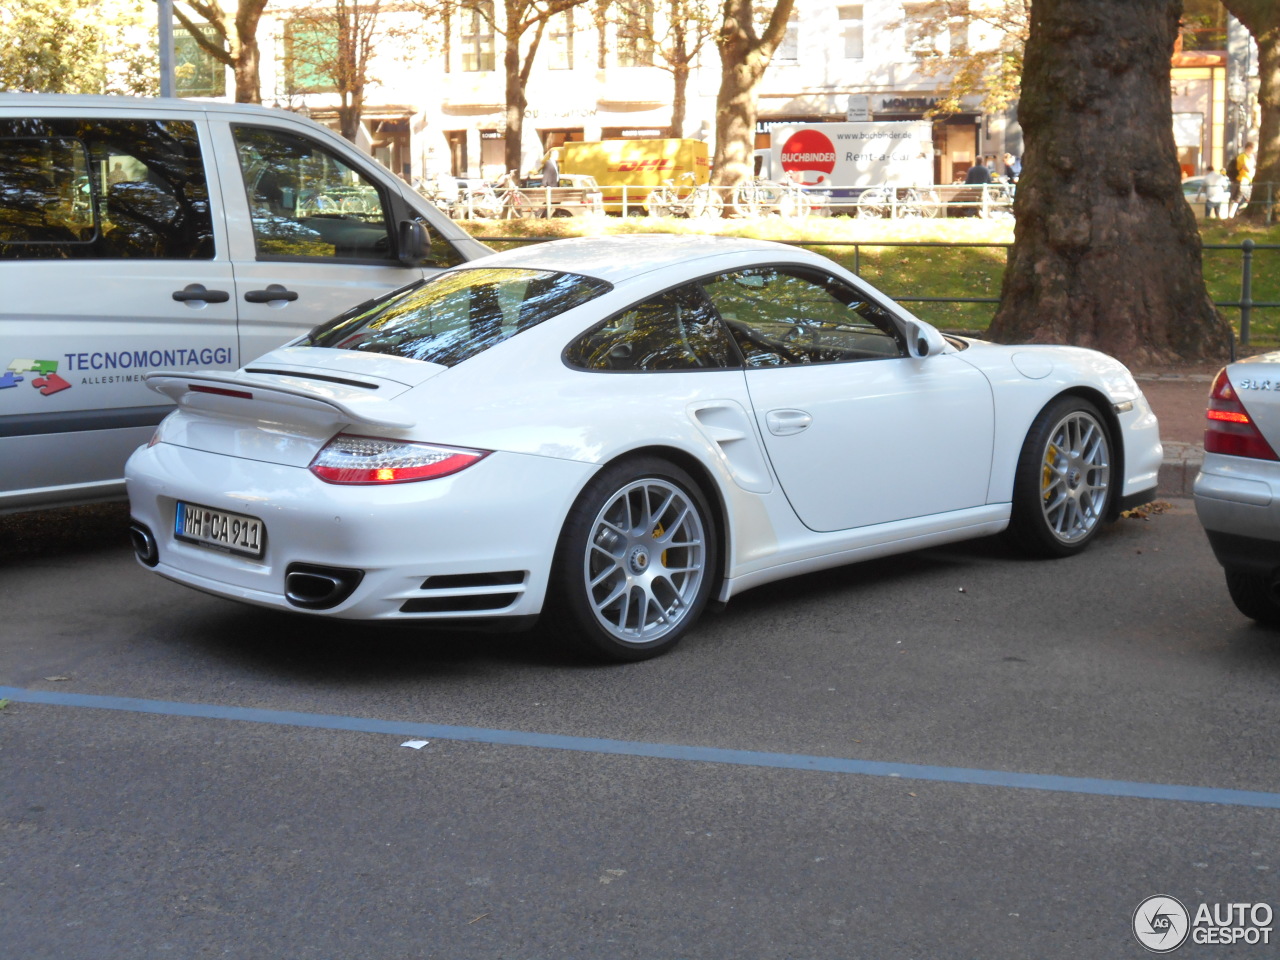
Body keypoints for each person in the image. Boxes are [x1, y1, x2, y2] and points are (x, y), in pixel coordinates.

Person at [1228, 141, 1257, 217]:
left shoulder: (1251, 157)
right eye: (1254, 149)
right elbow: (1247, 168)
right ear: (1249, 148)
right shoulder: (1243, 156)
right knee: (1236, 198)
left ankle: (1237, 213)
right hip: (1241, 180)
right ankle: (1231, 215)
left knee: (1246, 199)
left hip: (1248, 181)